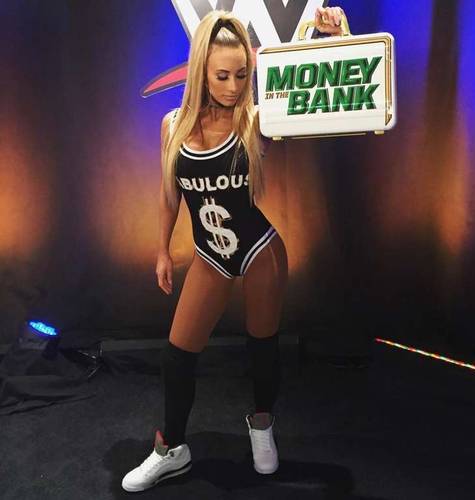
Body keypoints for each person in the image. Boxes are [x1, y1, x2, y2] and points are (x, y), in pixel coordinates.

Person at [122, 5, 346, 493]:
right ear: (200, 71)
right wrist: (162, 250)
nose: (233, 86)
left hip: (260, 251)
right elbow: (168, 194)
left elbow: (321, 99)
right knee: (177, 356)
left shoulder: (256, 120)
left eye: (242, 75)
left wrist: (331, 37)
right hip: (210, 255)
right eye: (222, 75)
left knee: (262, 347)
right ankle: (172, 448)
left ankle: (262, 424)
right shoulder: (172, 125)